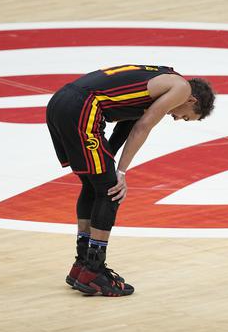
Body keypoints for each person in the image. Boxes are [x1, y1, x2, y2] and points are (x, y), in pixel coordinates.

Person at [45, 64, 215, 297]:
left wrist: (111, 165)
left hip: (60, 102)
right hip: (83, 107)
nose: (176, 119)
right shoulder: (181, 88)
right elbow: (143, 126)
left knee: (94, 184)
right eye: (185, 117)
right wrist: (121, 173)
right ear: (191, 100)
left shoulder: (160, 81)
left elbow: (127, 126)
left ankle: (82, 266)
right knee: (111, 191)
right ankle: (94, 270)